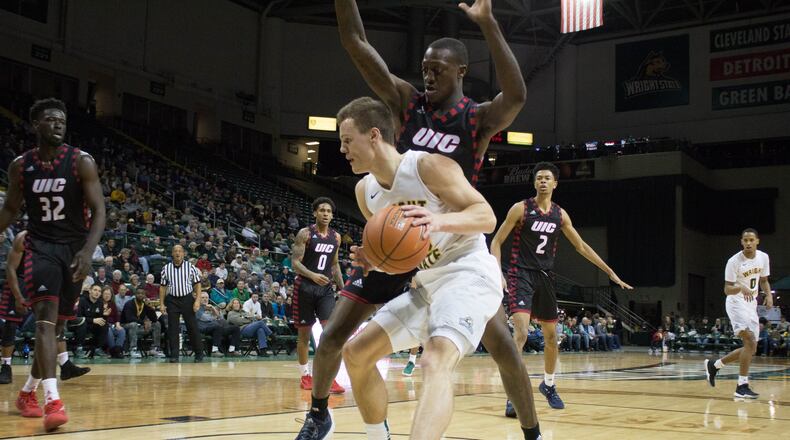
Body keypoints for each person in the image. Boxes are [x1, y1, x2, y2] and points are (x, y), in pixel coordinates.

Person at [295, 1, 538, 438]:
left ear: (461, 71)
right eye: (424, 69)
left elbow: (516, 96)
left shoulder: (475, 119)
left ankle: (531, 430)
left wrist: (488, 23)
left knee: (501, 348)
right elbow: (356, 43)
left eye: (437, 70)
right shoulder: (408, 105)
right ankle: (320, 414)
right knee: (342, 340)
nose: (427, 76)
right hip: (407, 244)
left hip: (456, 245)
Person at [336, 97, 504, 440]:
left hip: (468, 273)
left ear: (373, 135)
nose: (342, 149)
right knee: (356, 353)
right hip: (427, 287)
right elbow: (401, 259)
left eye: (347, 140)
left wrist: (438, 221)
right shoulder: (365, 192)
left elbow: (486, 217)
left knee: (435, 358)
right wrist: (376, 262)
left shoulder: (427, 166)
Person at [489, 161, 633, 409]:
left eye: (547, 178)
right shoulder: (520, 208)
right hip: (520, 274)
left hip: (545, 276)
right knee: (521, 333)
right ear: (534, 182)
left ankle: (548, 385)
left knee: (552, 337)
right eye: (539, 178)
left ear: (555, 183)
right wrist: (497, 272)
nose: (543, 181)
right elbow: (496, 241)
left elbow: (581, 247)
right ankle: (514, 394)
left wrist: (610, 272)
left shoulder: (560, 215)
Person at [0, 98, 106, 431]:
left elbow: (100, 211)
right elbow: (10, 209)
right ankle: (52, 400)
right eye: (50, 119)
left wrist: (88, 251)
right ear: (36, 124)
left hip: (74, 251)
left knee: (57, 328)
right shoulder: (21, 166)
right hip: (41, 248)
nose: (58, 124)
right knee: (45, 322)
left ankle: (27, 392)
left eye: (62, 120)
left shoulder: (81, 162)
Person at [0, 231, 90, 384]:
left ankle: (65, 364)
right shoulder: (24, 238)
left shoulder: (56, 238)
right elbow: (11, 268)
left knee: (53, 322)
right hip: (20, 280)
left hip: (44, 281)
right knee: (11, 324)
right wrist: (17, 296)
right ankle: (6, 366)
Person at [705, 228, 773, 399]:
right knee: (749, 340)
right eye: (745, 240)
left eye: (751, 240)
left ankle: (715, 365)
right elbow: (727, 289)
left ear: (757, 241)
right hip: (736, 302)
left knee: (751, 348)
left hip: (751, 304)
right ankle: (741, 386)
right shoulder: (734, 261)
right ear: (742, 242)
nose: (748, 243)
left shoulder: (763, 257)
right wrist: (741, 287)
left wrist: (769, 295)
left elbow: (764, 280)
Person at [290, 197, 345, 394]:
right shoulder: (305, 233)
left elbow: (335, 264)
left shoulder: (336, 237)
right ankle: (305, 375)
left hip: (325, 290)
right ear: (315, 213)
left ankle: (329, 377)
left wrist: (343, 288)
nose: (325, 214)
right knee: (304, 334)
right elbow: (295, 263)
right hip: (304, 287)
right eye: (322, 210)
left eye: (329, 211)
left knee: (330, 334)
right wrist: (312, 275)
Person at [159, 245, 204, 363]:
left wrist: (197, 300)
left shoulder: (191, 267)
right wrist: (161, 303)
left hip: (187, 299)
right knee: (173, 328)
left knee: (192, 327)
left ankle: (199, 354)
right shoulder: (166, 268)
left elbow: (197, 284)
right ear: (172, 254)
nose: (177, 253)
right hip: (172, 300)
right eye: (175, 251)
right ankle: (174, 355)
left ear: (183, 254)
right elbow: (163, 287)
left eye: (180, 251)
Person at [121, 288, 164, 358]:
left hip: (139, 327)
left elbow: (154, 319)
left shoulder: (145, 305)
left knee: (157, 324)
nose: (140, 295)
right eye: (138, 293)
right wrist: (144, 323)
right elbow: (129, 318)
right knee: (133, 324)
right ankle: (133, 349)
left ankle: (155, 349)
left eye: (142, 293)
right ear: (135, 295)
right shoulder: (129, 304)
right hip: (125, 326)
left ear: (145, 295)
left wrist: (150, 307)